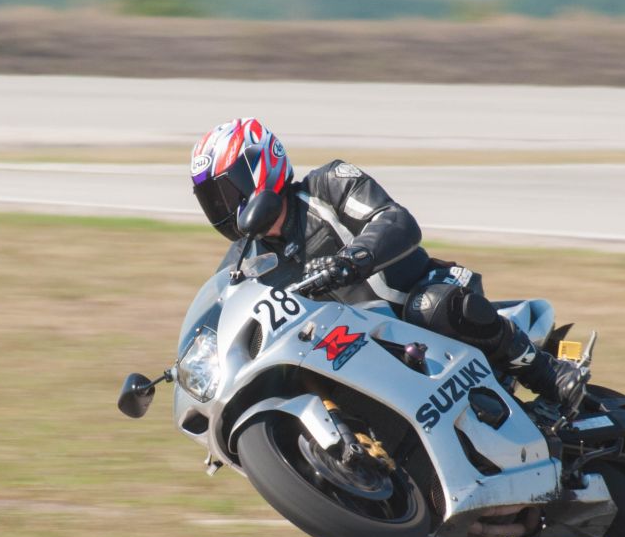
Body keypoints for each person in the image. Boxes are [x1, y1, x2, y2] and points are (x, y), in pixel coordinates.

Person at [189, 116, 586, 406]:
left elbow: (397, 222)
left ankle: (547, 373)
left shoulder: (327, 183)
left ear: (259, 167)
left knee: (428, 306)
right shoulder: (243, 262)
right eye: (213, 201)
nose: (222, 209)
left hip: (426, 298)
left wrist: (349, 261)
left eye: (227, 193)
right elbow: (225, 314)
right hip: (358, 352)